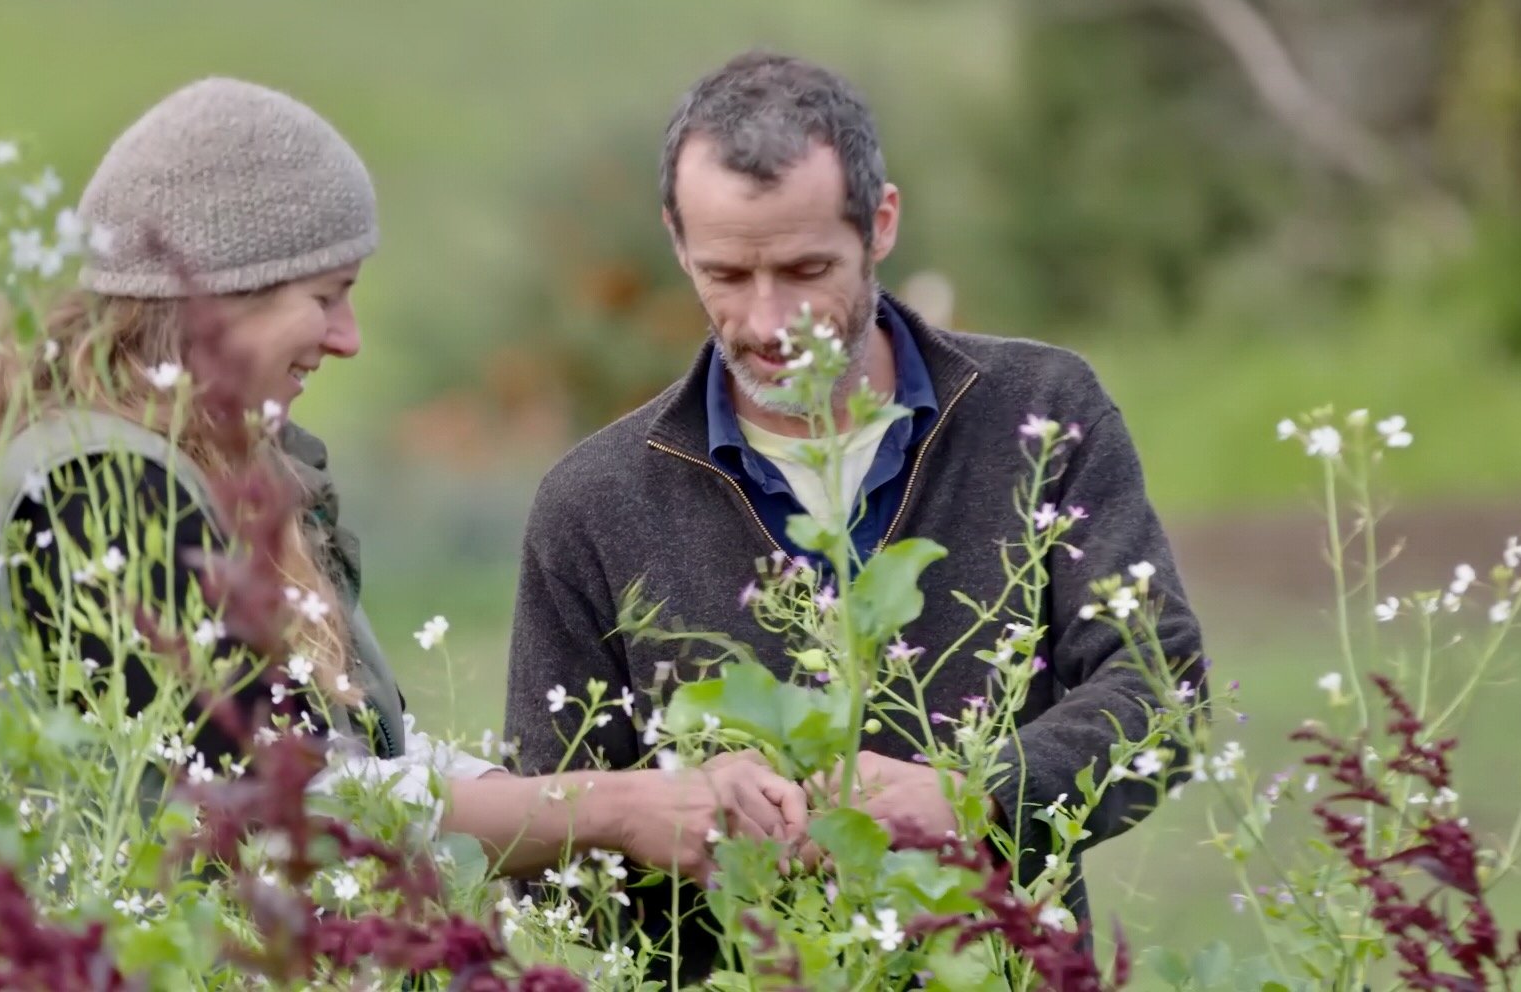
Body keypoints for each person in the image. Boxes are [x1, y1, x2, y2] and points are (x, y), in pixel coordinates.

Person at [0, 76, 807, 884]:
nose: (347, 337)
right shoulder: (102, 488)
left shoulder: (208, 472)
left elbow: (349, 764)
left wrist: (632, 799)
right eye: (326, 294)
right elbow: (272, 805)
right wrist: (607, 810)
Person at [503, 51, 1206, 978]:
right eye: (725, 273)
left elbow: (1161, 690)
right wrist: (673, 814)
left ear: (881, 224)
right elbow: (539, 845)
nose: (770, 319)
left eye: (806, 269)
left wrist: (976, 796)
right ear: (676, 240)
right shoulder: (593, 504)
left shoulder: (1039, 413)